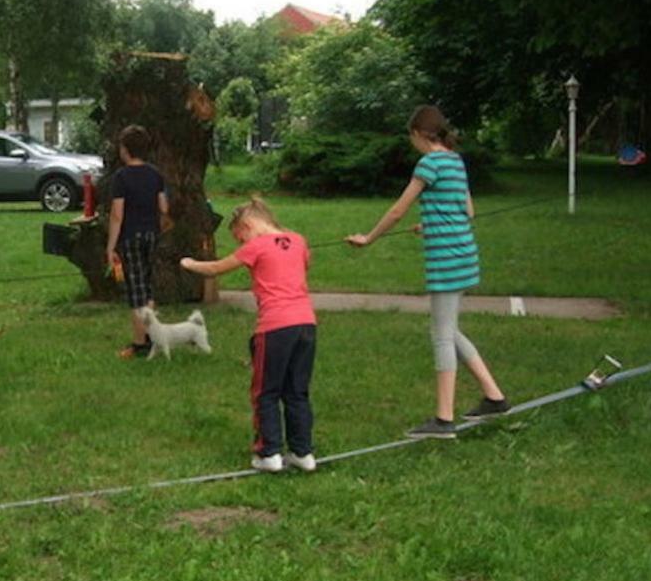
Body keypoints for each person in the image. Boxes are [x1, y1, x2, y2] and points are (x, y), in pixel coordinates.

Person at [345, 105, 510, 439]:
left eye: (412, 139)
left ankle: (444, 420)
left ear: (420, 134)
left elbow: (397, 211)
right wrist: (431, 221)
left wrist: (368, 239)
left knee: (441, 336)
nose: (413, 145)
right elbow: (468, 210)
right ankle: (494, 397)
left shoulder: (430, 163)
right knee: (449, 329)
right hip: (465, 254)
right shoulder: (454, 159)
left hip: (446, 260)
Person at [181, 197, 318, 473]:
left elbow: (216, 268)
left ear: (248, 225)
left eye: (240, 237)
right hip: (306, 324)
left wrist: (189, 263)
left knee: (265, 392)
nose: (241, 244)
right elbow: (305, 265)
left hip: (275, 327)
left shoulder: (255, 246)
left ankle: (268, 453)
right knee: (297, 391)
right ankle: (302, 453)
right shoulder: (299, 240)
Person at [105, 124, 170, 359]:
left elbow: (117, 215)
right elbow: (164, 206)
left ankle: (139, 342)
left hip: (130, 237)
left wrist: (111, 246)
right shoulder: (155, 174)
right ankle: (152, 336)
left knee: (135, 290)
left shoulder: (121, 178)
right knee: (148, 288)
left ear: (125, 150)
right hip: (152, 234)